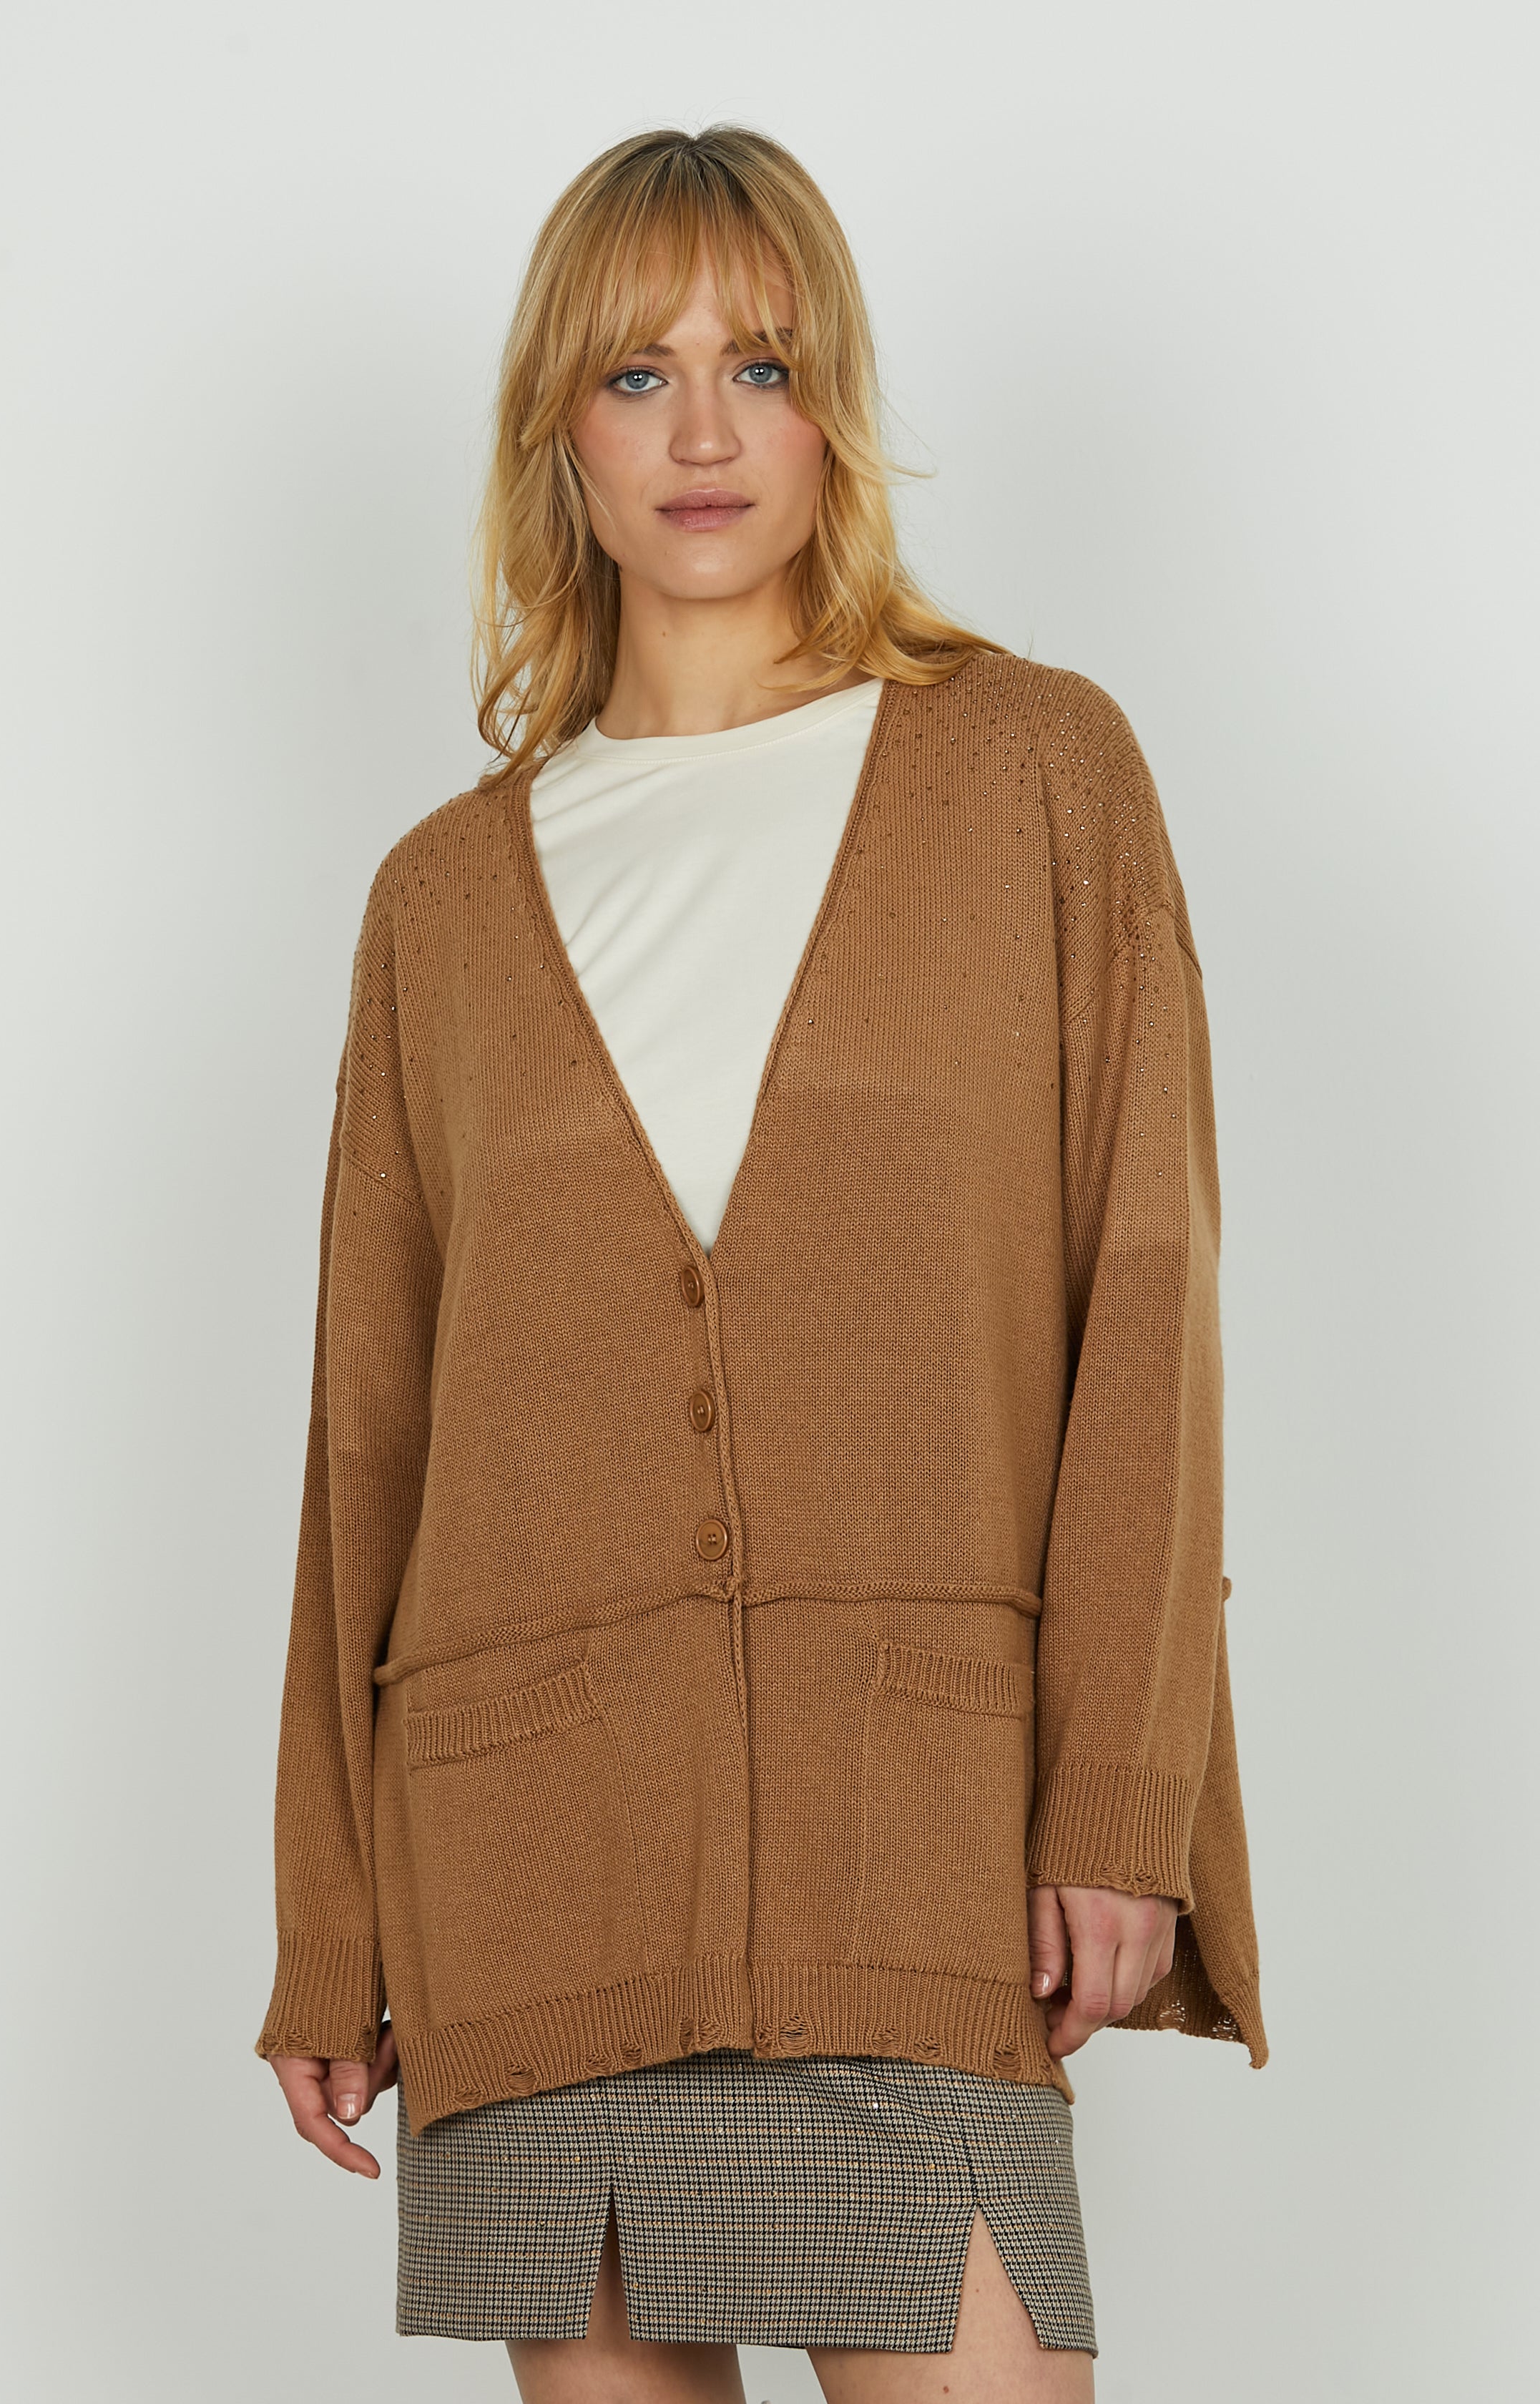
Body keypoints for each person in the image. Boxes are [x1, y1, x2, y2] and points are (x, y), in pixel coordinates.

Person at [257, 124, 1265, 2403]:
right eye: (638, 374)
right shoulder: (443, 904)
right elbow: (368, 1437)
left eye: (764, 366)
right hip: (537, 1860)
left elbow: (1148, 1304)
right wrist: (331, 1920)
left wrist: (1122, 1801)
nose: (703, 432)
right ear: (559, 425)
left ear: (837, 411)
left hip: (907, 1844)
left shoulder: (1036, 774)